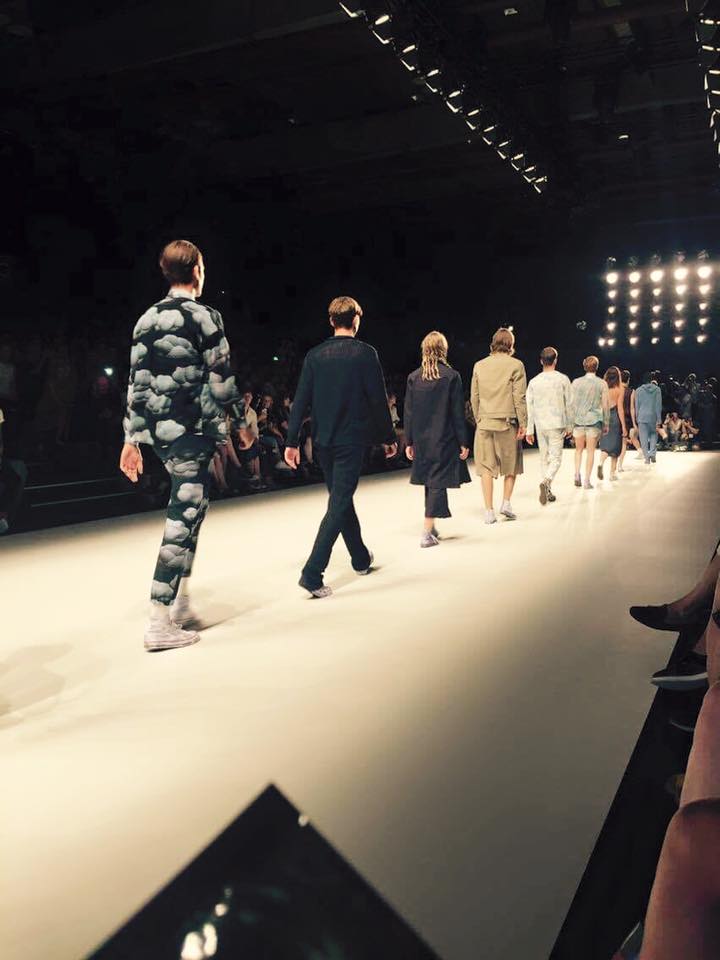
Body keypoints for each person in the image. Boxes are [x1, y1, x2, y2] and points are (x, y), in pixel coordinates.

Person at [119, 239, 240, 651]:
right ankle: (159, 619)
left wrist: (131, 439)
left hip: (160, 433)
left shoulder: (146, 319)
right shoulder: (205, 317)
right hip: (192, 430)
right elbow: (221, 376)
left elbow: (136, 383)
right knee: (183, 514)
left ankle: (181, 603)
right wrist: (242, 424)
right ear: (197, 271)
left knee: (194, 509)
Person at [284, 296, 397, 598]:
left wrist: (291, 441)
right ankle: (312, 574)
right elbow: (378, 399)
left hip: (323, 441)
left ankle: (360, 558)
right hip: (351, 441)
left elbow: (300, 400)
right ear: (356, 320)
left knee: (340, 499)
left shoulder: (314, 356)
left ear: (331, 321)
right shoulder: (366, 354)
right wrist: (388, 437)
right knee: (338, 503)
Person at [403, 332, 470, 547]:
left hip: (421, 439)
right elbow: (457, 413)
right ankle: (426, 532)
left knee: (430, 480)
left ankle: (431, 528)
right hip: (444, 437)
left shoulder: (414, 377)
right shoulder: (451, 376)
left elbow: (409, 413)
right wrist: (463, 441)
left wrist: (409, 441)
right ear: (443, 350)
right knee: (437, 481)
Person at [470, 327, 527, 523]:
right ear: (511, 344)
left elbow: (474, 396)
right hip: (507, 422)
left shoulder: (479, 365)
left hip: (485, 422)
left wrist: (478, 418)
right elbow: (519, 397)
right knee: (511, 463)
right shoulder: (516, 365)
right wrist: (523, 422)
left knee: (486, 466)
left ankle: (489, 511)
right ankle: (506, 503)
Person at [524, 346, 573, 505]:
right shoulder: (563, 379)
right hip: (557, 423)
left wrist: (529, 430)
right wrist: (570, 425)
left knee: (543, 458)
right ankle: (547, 481)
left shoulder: (534, 382)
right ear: (555, 360)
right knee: (556, 459)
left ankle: (547, 489)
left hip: (540, 424)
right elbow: (569, 404)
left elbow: (529, 407)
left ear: (541, 361)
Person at [570, 355, 609, 489]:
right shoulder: (602, 383)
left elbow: (571, 404)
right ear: (597, 367)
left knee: (578, 450)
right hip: (594, 421)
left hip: (578, 421)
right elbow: (605, 405)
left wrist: (570, 422)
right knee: (590, 451)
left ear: (584, 365)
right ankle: (586, 481)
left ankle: (576, 474)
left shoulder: (576, 382)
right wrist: (606, 423)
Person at [597, 365, 627, 482]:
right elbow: (620, 408)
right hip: (615, 418)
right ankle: (612, 474)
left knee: (605, 446)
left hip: (604, 417)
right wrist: (623, 426)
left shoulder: (602, 388)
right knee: (615, 448)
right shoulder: (620, 389)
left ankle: (600, 463)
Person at [634, 372, 663, 464]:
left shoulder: (638, 390)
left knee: (643, 438)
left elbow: (637, 405)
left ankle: (647, 458)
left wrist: (637, 417)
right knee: (654, 434)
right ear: (651, 380)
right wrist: (659, 419)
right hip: (653, 416)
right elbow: (658, 405)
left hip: (642, 416)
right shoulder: (657, 389)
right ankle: (652, 454)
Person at [618, 370, 641, 471]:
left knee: (618, 442)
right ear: (628, 379)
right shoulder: (632, 391)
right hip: (626, 419)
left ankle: (611, 463)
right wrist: (634, 423)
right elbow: (632, 408)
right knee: (623, 443)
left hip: (616, 417)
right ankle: (619, 465)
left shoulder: (616, 390)